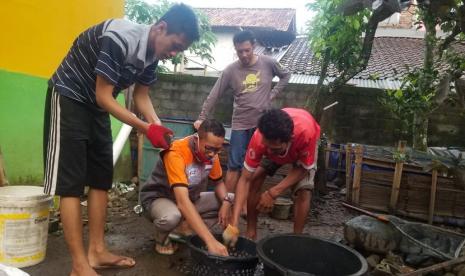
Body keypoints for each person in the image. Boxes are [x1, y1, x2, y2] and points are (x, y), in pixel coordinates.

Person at [43, 4, 199, 276]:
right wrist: (144, 128)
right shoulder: (120, 37)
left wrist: (158, 126)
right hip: (69, 98)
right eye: (174, 45)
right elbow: (104, 95)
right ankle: (79, 265)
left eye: (180, 50)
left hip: (98, 107)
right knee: (71, 185)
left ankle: (97, 251)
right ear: (161, 27)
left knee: (102, 178)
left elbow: (141, 96)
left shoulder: (153, 55)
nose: (173, 53)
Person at [194, 30, 290, 217]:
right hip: (240, 124)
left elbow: (286, 75)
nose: (244, 55)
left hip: (262, 126)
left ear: (253, 46)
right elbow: (215, 94)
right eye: (240, 52)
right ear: (236, 50)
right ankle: (227, 204)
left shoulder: (268, 62)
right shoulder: (231, 70)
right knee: (234, 166)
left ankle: (245, 203)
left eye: (247, 50)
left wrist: (272, 95)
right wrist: (201, 117)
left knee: (253, 166)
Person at [222, 108, 321, 246]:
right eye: (266, 146)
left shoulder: (306, 134)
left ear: (289, 140)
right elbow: (244, 179)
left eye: (274, 149)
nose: (269, 152)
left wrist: (273, 193)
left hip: (302, 152)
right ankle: (251, 230)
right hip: (276, 143)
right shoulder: (259, 139)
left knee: (304, 191)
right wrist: (234, 221)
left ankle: (296, 238)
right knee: (254, 178)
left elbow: (303, 169)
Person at [140, 119, 231, 256]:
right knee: (172, 217)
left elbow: (218, 183)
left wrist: (226, 201)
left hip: (190, 199)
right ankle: (161, 238)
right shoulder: (176, 152)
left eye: (217, 150)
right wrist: (210, 241)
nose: (212, 154)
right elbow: (182, 202)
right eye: (209, 148)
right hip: (159, 198)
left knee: (231, 200)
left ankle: (181, 229)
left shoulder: (212, 155)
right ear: (196, 139)